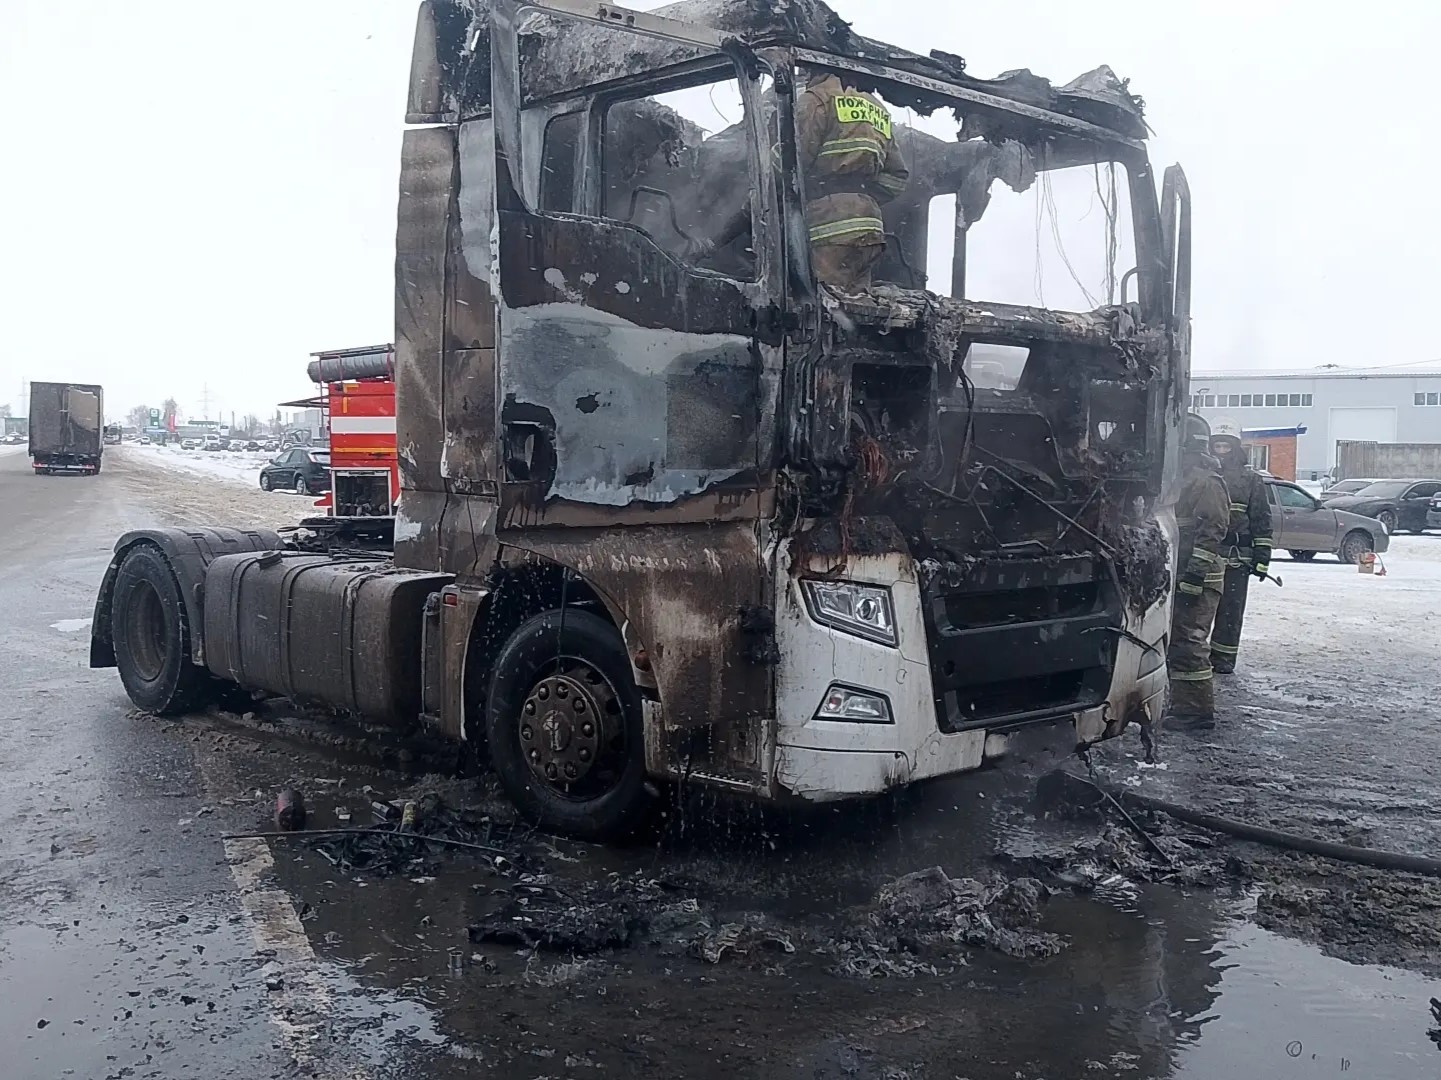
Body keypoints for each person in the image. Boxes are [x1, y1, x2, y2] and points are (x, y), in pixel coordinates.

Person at [695, 69, 909, 289]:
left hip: (830, 228)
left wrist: (763, 201)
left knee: (821, 311)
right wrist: (857, 196)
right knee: (855, 306)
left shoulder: (816, 100)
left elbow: (787, 164)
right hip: (870, 231)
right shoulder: (877, 108)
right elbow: (897, 178)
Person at [1166, 413, 1231, 730]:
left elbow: (1212, 532)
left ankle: (1197, 713)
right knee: (1179, 640)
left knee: (1190, 641)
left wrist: (1194, 576)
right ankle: (1183, 705)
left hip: (1200, 578)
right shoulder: (1184, 480)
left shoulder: (1207, 482)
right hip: (1184, 574)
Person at [1207, 418, 1273, 674]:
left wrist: (1262, 557)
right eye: (1217, 446)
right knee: (1196, 611)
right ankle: (1192, 657)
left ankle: (1223, 659)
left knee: (1231, 612)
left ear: (1236, 448)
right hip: (1206, 554)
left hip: (1238, 558)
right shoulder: (1203, 475)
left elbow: (1262, 520)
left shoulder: (1251, 480)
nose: (1222, 451)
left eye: (1226, 446)